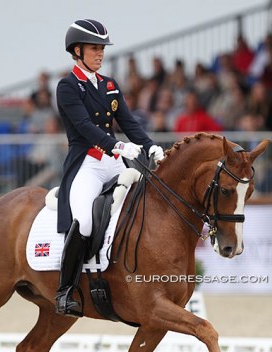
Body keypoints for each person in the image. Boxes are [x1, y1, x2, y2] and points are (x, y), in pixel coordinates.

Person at [55, 19, 164, 317]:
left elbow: (128, 123)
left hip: (114, 163)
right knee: (85, 222)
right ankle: (65, 291)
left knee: (146, 202)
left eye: (102, 48)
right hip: (87, 164)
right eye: (94, 48)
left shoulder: (110, 85)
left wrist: (148, 145)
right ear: (77, 51)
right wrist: (117, 146)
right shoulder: (67, 86)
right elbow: (84, 126)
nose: (100, 54)